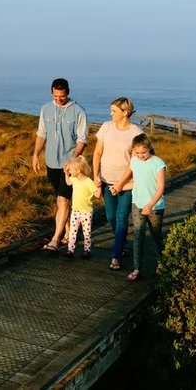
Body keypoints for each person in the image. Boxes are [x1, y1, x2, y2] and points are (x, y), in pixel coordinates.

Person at [32, 78, 88, 251]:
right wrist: (35, 154)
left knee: (63, 200)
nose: (59, 99)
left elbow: (82, 140)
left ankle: (55, 240)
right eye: (56, 96)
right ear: (51, 93)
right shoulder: (45, 109)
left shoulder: (78, 111)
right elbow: (42, 134)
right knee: (61, 201)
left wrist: (73, 159)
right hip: (51, 162)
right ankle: (68, 233)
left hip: (70, 166)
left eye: (62, 96)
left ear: (68, 93)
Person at [92, 97, 142, 270]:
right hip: (106, 180)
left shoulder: (136, 132)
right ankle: (122, 243)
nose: (110, 113)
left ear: (125, 112)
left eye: (114, 111)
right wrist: (96, 176)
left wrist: (121, 184)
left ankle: (116, 256)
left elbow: (134, 162)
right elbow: (97, 153)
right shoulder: (106, 127)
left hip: (128, 184)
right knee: (111, 217)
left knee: (121, 217)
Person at [114, 133, 166, 281]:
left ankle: (162, 262)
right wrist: (119, 187)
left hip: (155, 206)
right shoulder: (134, 161)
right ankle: (137, 268)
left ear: (149, 148)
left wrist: (150, 205)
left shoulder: (158, 163)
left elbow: (161, 187)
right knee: (138, 235)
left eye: (144, 152)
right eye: (137, 153)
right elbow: (136, 181)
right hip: (137, 203)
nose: (141, 155)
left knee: (156, 235)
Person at [63, 156, 100, 259]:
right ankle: (70, 250)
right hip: (75, 211)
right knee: (72, 231)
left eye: (70, 169)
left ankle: (87, 250)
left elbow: (97, 195)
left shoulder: (89, 182)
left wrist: (99, 185)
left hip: (86, 212)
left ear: (78, 170)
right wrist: (66, 174)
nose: (69, 171)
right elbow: (68, 183)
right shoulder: (74, 179)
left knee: (86, 232)